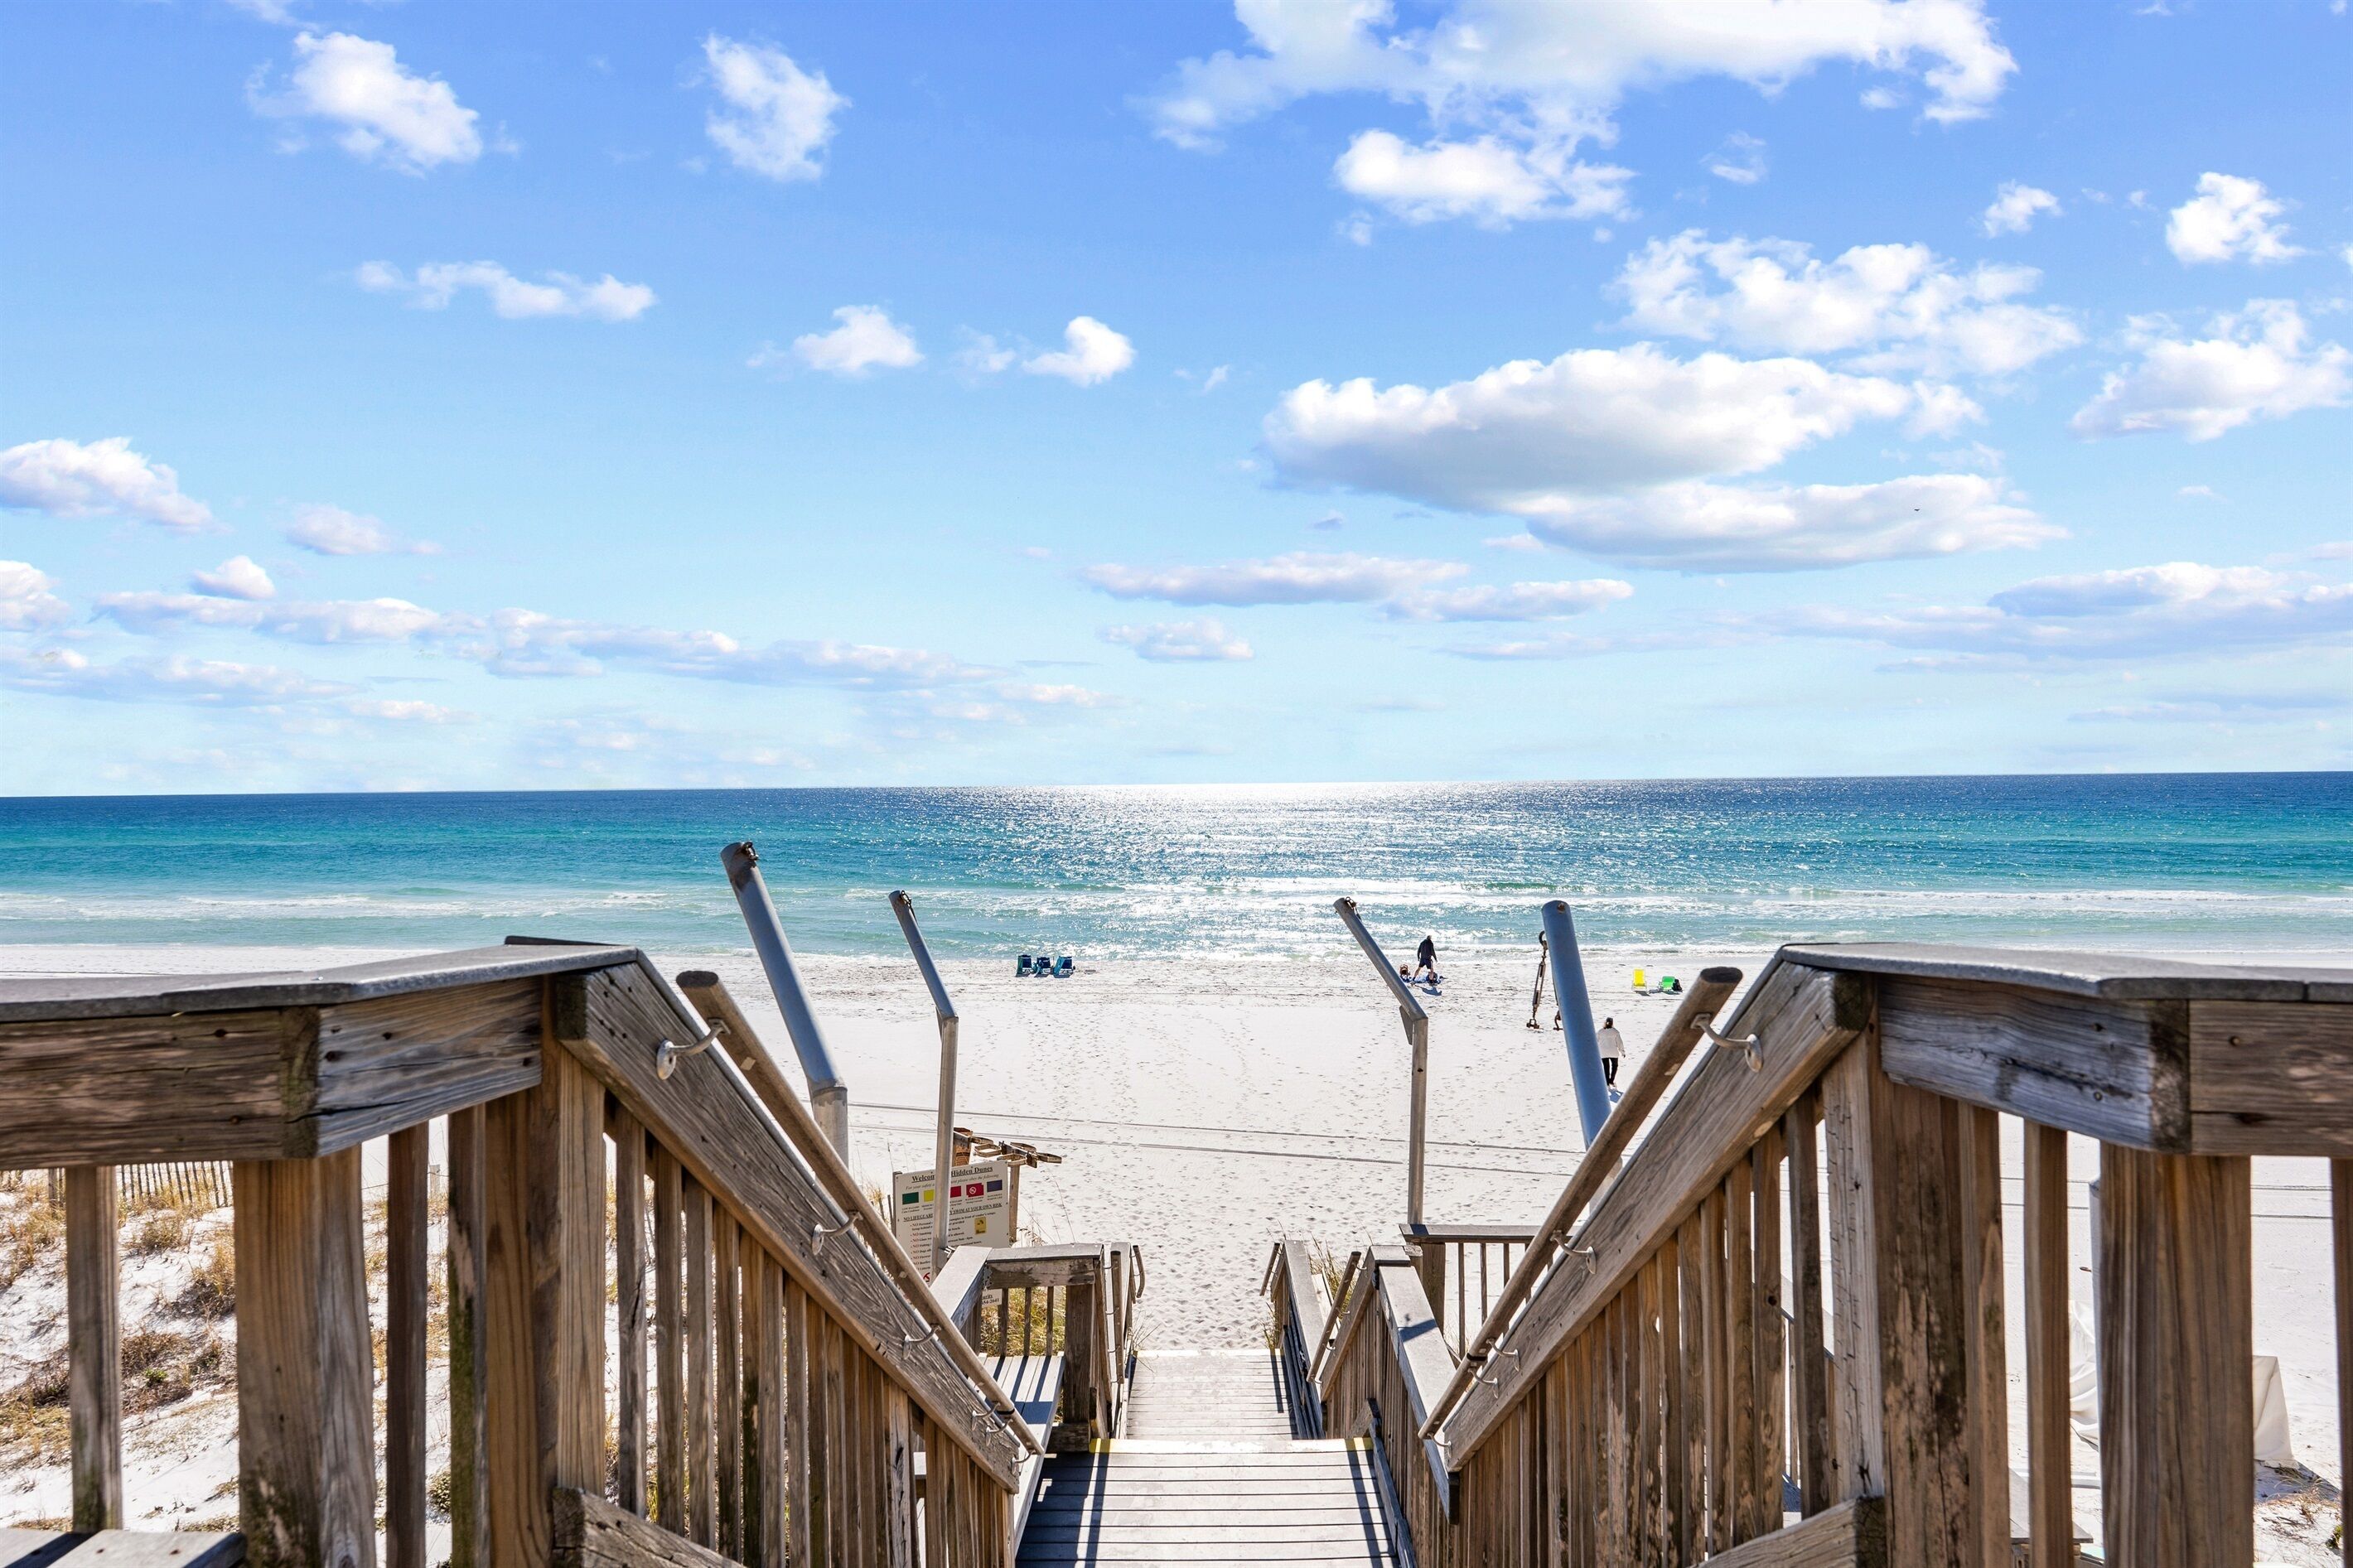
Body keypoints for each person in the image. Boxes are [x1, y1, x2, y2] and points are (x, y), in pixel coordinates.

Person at [1597, 1016, 1624, 1087]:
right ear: (1612, 1023)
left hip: (1603, 1052)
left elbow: (1596, 1041)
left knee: (1606, 1067)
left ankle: (1607, 1083)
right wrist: (1622, 1052)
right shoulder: (1615, 1032)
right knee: (1615, 1066)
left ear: (1605, 1023)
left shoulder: (1600, 1031)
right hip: (1613, 1052)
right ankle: (1611, 1080)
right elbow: (1620, 1043)